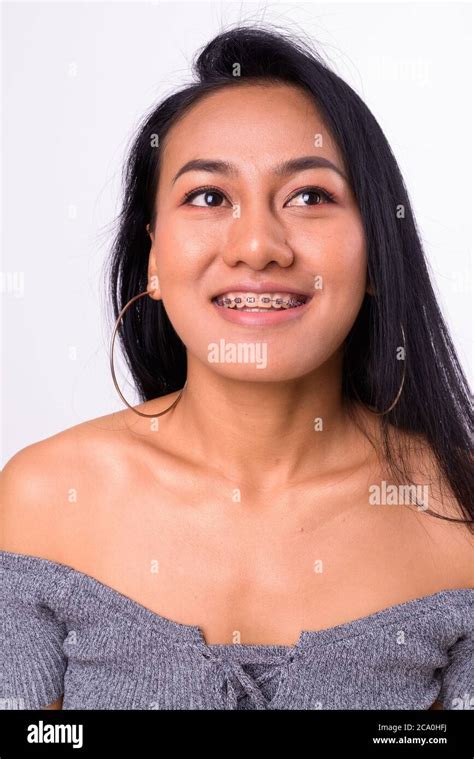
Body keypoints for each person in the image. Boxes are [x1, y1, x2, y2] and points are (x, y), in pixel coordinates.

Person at [1, 24, 472, 711]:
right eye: (209, 197)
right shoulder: (40, 501)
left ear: (377, 253)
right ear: (155, 256)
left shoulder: (459, 514)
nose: (258, 245)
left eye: (310, 196)